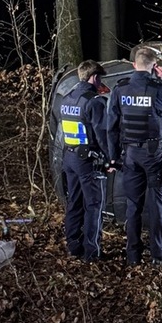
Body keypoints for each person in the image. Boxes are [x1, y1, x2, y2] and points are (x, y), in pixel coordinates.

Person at [106, 46, 162, 267]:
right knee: (157, 204)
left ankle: (133, 255)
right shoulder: (156, 89)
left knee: (133, 205)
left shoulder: (120, 89)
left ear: (134, 65)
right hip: (152, 154)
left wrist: (113, 157)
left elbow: (111, 127)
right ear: (154, 66)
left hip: (129, 154)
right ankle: (159, 256)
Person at [56, 59, 110, 263]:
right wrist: (111, 158)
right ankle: (92, 252)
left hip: (69, 156)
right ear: (94, 77)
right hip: (88, 160)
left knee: (74, 202)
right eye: (100, 78)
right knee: (93, 205)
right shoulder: (94, 101)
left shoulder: (66, 99)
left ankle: (73, 246)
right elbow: (102, 135)